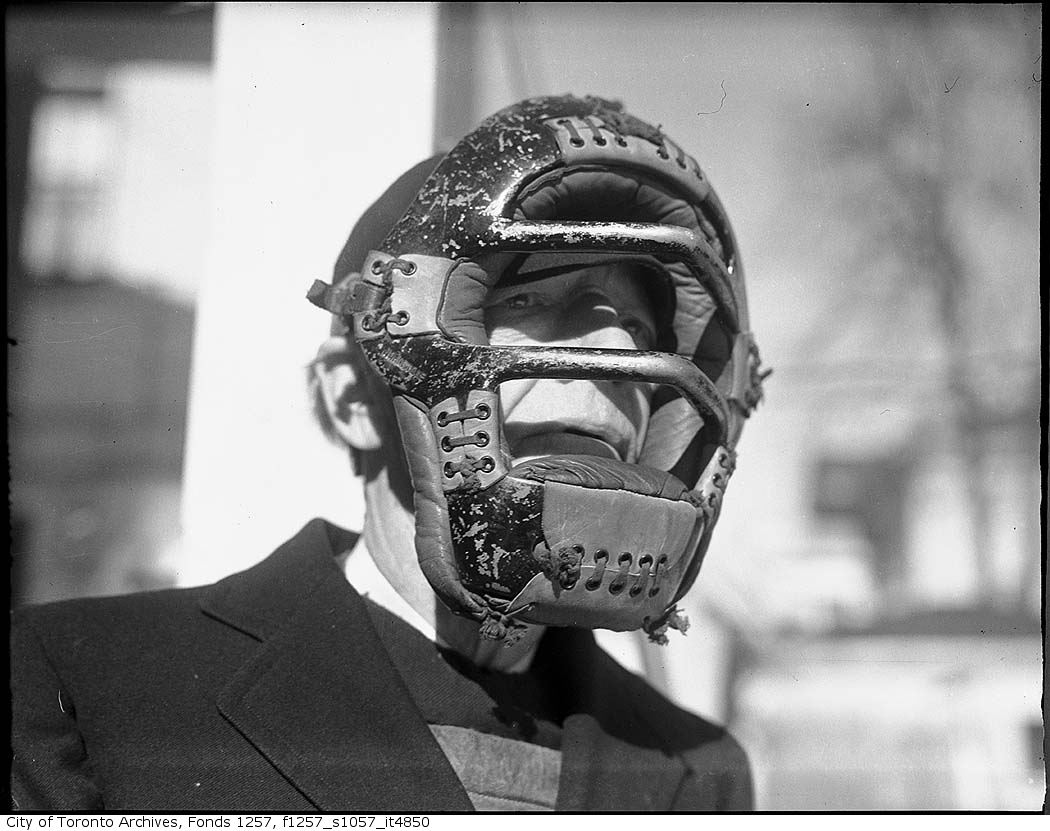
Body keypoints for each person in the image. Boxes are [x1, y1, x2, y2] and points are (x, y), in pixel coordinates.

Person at [10, 94, 766, 812]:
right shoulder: (77, 685)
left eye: (637, 326)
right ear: (352, 400)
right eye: (528, 302)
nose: (612, 351)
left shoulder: (700, 769)